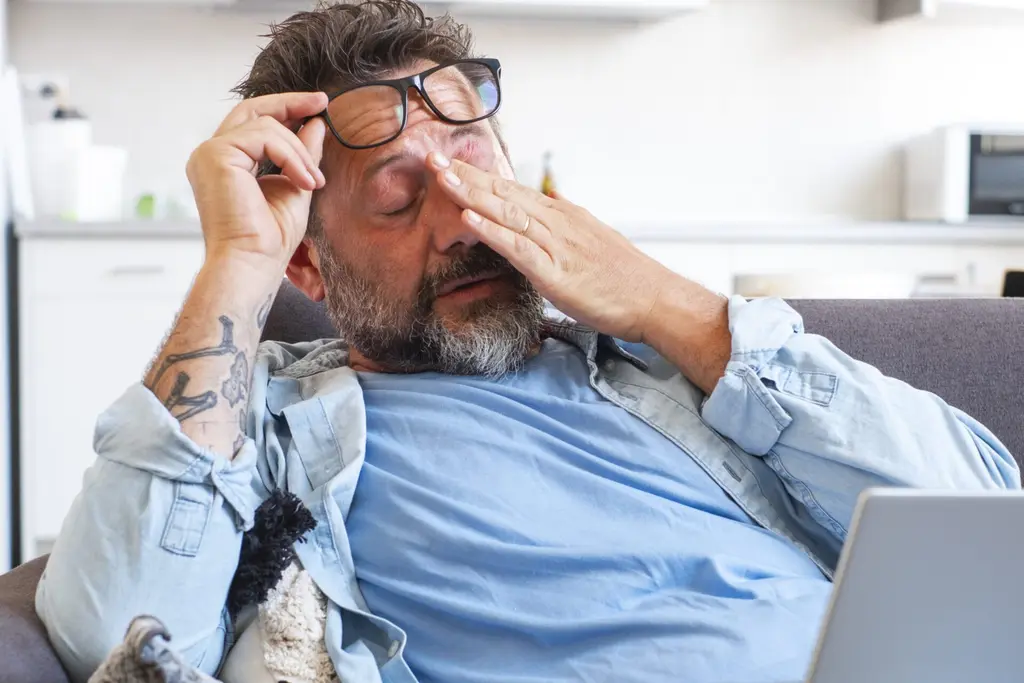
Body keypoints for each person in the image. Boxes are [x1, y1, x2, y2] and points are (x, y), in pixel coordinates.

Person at [36, 2, 1020, 682]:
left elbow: (985, 525)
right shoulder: (269, 432)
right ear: (309, 265)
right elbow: (113, 630)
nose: (464, 222)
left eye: (476, 171)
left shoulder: (668, 366)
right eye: (400, 198)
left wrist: (665, 303)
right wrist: (238, 264)